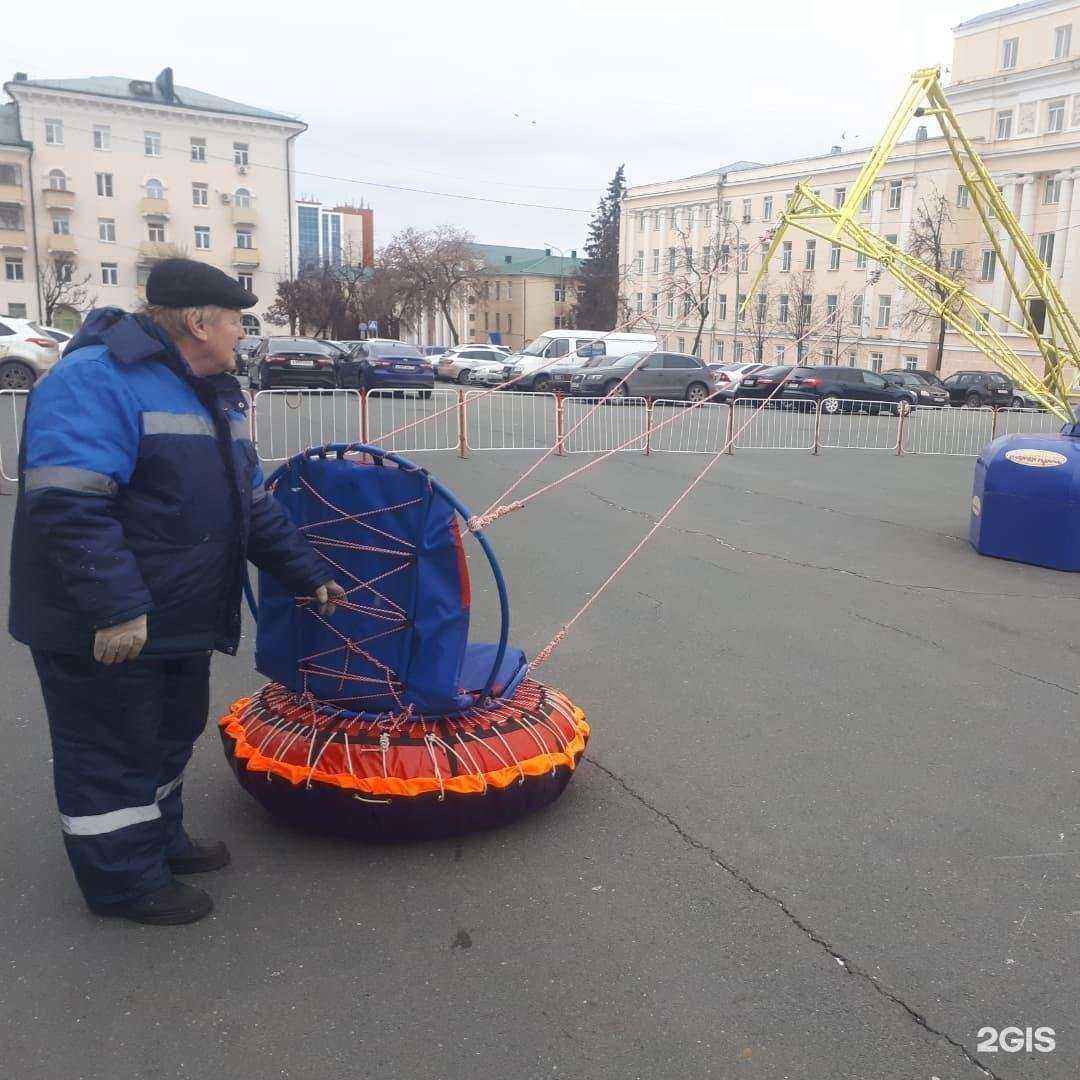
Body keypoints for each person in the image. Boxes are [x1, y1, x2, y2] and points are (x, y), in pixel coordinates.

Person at [9, 259, 346, 926]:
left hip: (174, 615)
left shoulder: (210, 389)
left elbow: (248, 503)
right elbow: (69, 506)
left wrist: (305, 573)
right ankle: (123, 882)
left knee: (165, 734)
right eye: (237, 323)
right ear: (198, 322)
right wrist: (116, 609)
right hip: (110, 622)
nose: (242, 337)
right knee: (111, 749)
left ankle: (156, 842)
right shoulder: (97, 380)